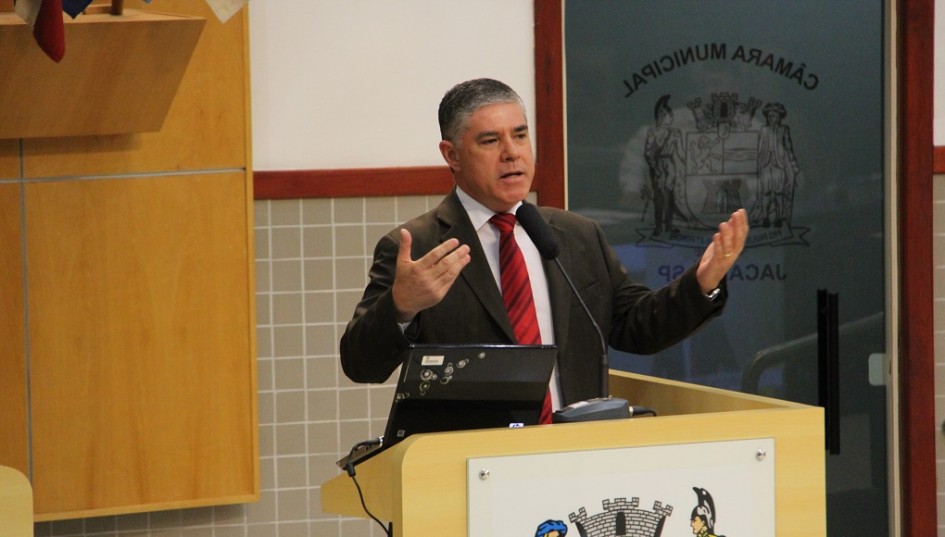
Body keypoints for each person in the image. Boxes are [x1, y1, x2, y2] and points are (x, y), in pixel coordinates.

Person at [339, 78, 748, 409]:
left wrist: (702, 283)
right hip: (468, 467)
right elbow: (361, 365)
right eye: (489, 141)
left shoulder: (574, 235)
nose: (512, 153)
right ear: (452, 154)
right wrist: (401, 306)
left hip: (569, 460)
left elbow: (636, 329)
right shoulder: (418, 247)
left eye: (520, 135)